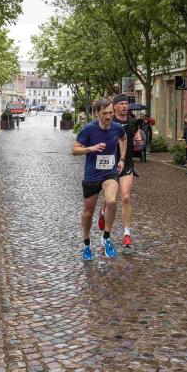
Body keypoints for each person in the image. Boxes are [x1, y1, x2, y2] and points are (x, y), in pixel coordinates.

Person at [73, 98, 126, 261]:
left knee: (111, 202)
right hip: (92, 175)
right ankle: (86, 243)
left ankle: (106, 237)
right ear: (97, 113)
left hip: (110, 172)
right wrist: (90, 148)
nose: (108, 116)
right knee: (88, 212)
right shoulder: (88, 129)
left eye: (110, 113)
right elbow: (74, 150)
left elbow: (123, 139)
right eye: (104, 113)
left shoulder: (117, 128)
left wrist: (122, 159)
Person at [108, 95, 141, 247]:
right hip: (110, 163)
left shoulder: (133, 122)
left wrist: (138, 138)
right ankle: (103, 212)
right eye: (121, 104)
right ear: (114, 106)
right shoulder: (109, 121)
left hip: (127, 163)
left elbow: (137, 134)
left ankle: (127, 234)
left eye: (126, 104)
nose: (124, 106)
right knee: (111, 200)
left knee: (126, 197)